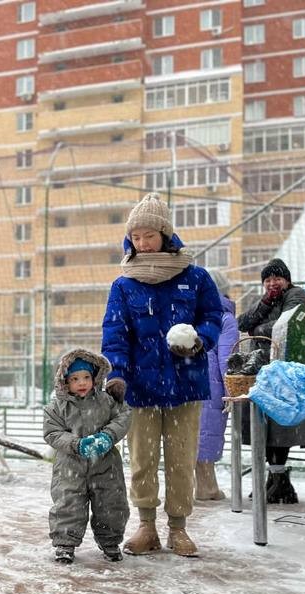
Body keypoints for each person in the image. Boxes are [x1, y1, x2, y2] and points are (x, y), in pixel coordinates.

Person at [101, 193, 223, 557]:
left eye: (149, 235)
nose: (142, 243)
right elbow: (115, 334)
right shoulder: (124, 285)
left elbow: (213, 318)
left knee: (181, 459)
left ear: (166, 234)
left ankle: (179, 528)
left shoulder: (195, 278)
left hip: (186, 384)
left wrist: (200, 341)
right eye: (136, 237)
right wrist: (117, 375)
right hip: (141, 387)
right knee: (142, 460)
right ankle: (146, 526)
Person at [43, 349, 131, 565]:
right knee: (68, 502)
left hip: (105, 464)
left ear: (94, 378)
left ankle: (110, 541)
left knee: (111, 502)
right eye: (74, 378)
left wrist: (107, 437)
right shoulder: (57, 406)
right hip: (70, 465)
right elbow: (52, 432)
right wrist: (76, 444)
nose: (81, 382)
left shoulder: (105, 401)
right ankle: (65, 543)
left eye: (86, 377)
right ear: (65, 381)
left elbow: (123, 416)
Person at [237, 258, 305, 504]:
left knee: (281, 426)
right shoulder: (268, 300)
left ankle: (278, 478)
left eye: (277, 278)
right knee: (264, 426)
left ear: (287, 279)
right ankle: (276, 479)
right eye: (267, 280)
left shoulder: (297, 295)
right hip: (265, 371)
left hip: (287, 371)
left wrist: (257, 330)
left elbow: (283, 327)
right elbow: (243, 322)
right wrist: (265, 303)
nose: (272, 283)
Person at [195, 269, 239, 501]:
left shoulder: (193, 315)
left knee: (196, 438)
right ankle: (207, 488)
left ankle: (203, 486)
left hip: (190, 385)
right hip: (212, 389)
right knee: (208, 436)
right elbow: (227, 361)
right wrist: (232, 393)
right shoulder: (225, 319)